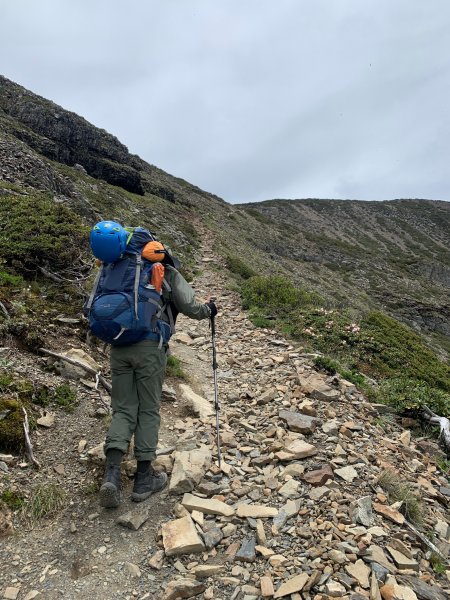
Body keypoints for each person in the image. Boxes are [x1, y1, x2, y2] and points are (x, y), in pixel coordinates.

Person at [99, 243, 217, 508]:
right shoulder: (164, 269)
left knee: (123, 410)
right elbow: (190, 307)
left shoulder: (113, 268)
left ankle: (112, 475)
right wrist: (210, 309)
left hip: (119, 346)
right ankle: (143, 479)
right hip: (150, 348)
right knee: (149, 410)